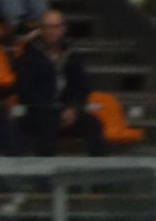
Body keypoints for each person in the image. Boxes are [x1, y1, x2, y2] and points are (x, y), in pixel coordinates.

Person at [15, 9, 104, 156]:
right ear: (41, 30)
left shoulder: (72, 54)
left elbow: (82, 87)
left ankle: (99, 171)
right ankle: (45, 172)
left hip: (67, 111)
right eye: (47, 27)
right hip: (39, 111)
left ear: (63, 29)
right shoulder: (29, 56)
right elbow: (25, 91)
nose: (51, 31)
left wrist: (73, 108)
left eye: (55, 27)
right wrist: (54, 110)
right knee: (47, 123)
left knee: (93, 123)